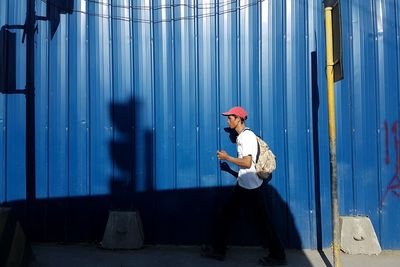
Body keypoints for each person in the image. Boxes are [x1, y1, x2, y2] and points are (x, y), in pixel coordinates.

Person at [201, 106, 287, 266]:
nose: (228, 121)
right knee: (227, 215)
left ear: (239, 119)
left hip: (251, 187)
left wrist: (227, 158)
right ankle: (218, 250)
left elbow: (247, 163)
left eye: (230, 118)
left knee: (264, 221)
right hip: (245, 185)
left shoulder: (245, 137)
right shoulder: (244, 136)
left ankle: (278, 255)